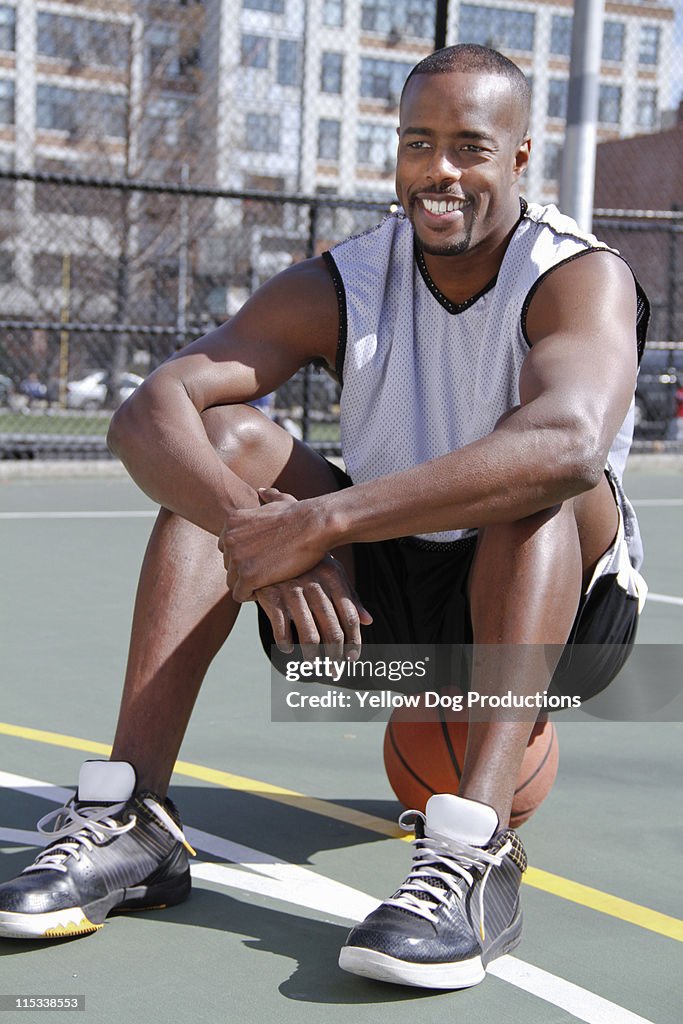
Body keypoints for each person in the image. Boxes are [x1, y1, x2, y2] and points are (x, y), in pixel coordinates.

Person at [0, 45, 648, 990]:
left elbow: (568, 443)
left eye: (469, 146)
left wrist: (323, 523)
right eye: (417, 143)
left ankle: (472, 850)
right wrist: (260, 533)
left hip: (559, 616)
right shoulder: (345, 278)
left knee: (531, 481)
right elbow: (148, 412)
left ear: (517, 161)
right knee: (217, 448)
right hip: (364, 606)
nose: (439, 170)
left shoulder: (576, 275)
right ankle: (133, 811)